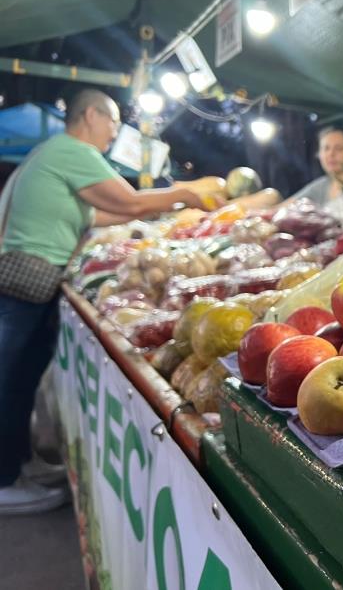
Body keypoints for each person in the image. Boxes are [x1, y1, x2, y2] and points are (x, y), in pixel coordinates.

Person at [0, 89, 215, 515]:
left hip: (31, 281)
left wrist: (155, 211)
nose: (115, 132)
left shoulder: (56, 154)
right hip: (27, 279)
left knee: (22, 374)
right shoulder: (73, 150)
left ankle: (18, 465)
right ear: (91, 115)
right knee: (8, 376)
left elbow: (104, 214)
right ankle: (4, 480)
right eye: (113, 121)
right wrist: (187, 194)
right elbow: (128, 200)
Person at [288, 126, 343, 232]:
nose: (331, 154)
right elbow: (284, 208)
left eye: (339, 149)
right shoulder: (321, 185)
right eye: (326, 148)